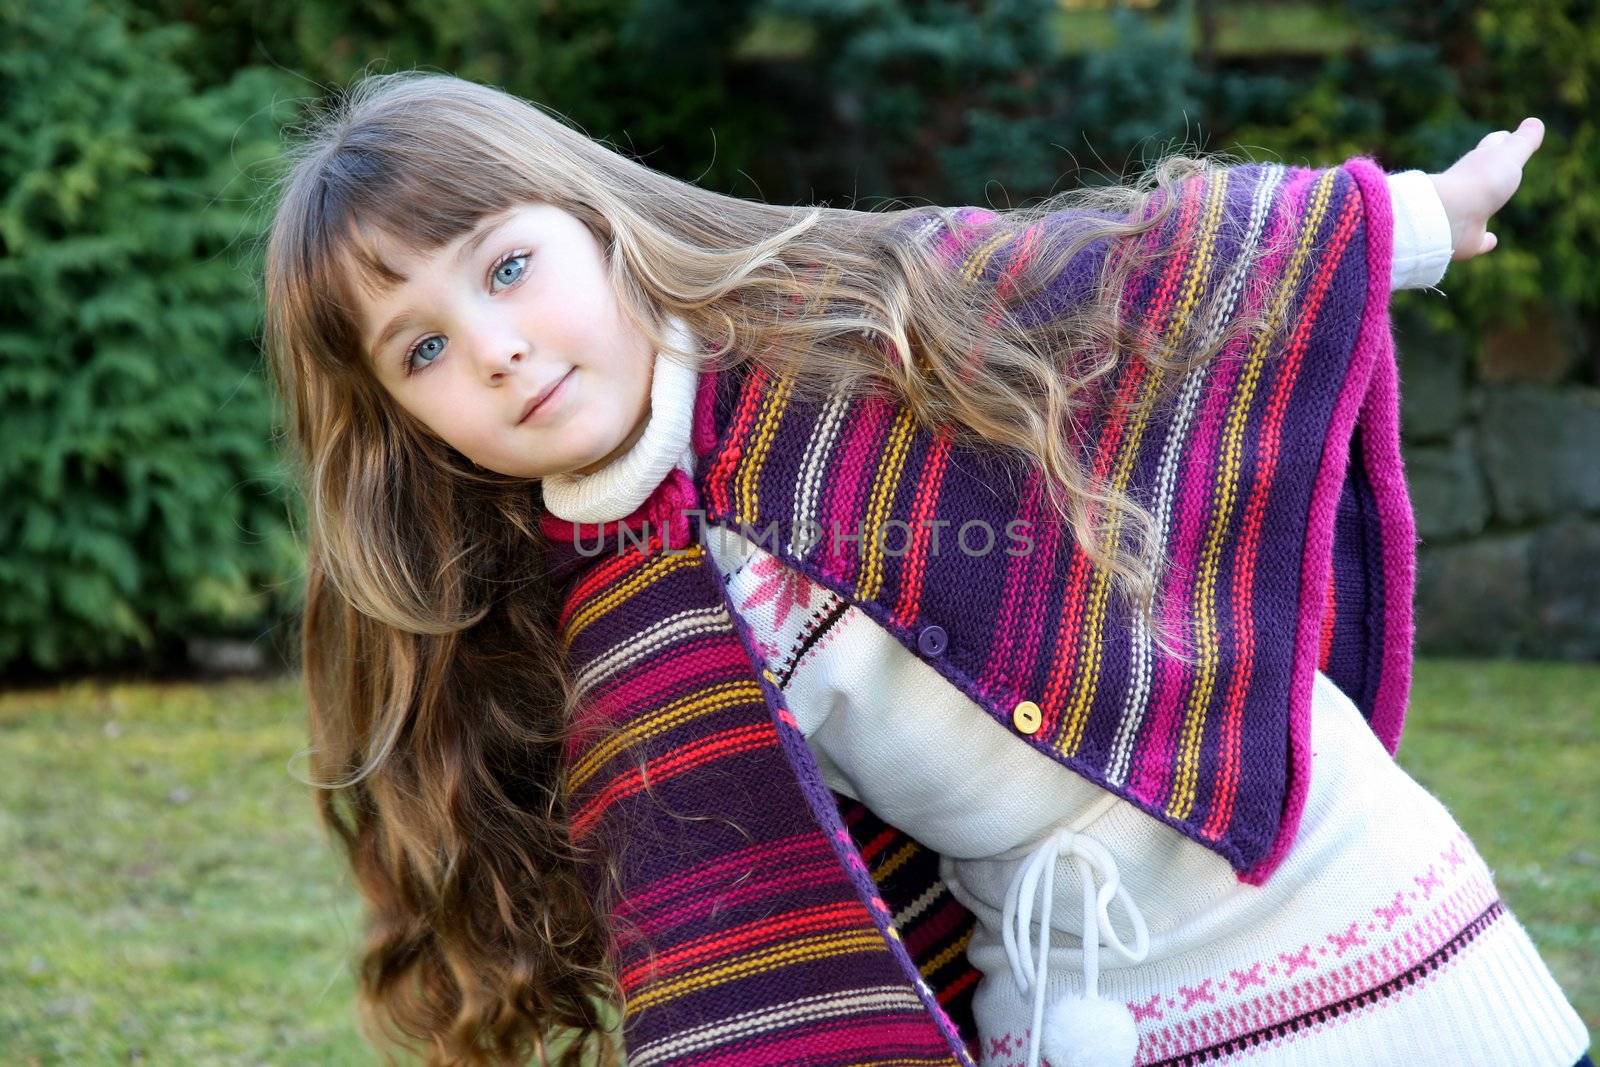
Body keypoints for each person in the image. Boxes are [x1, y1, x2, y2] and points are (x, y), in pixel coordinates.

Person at [262, 70, 1589, 1067]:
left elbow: (1108, 278)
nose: (493, 345)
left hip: (1343, 911)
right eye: (419, 347)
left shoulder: (833, 326)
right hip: (1071, 1008)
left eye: (507, 267)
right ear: (398, 413)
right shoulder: (606, 630)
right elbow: (738, 952)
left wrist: (1408, 222)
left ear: (596, 223)